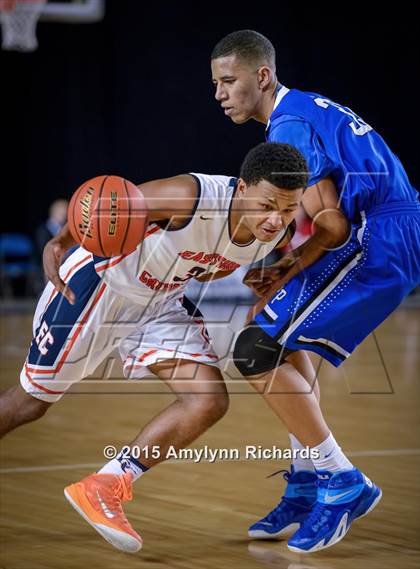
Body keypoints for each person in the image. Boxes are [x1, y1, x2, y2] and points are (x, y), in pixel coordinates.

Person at [0, 142, 309, 553]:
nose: (276, 220)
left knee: (208, 400)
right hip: (100, 285)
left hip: (159, 301)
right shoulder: (193, 197)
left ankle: (106, 486)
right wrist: (60, 240)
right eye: (268, 205)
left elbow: (214, 262)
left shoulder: (274, 234)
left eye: (289, 210)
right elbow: (114, 202)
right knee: (30, 403)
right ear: (242, 188)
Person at [211, 30, 420, 553]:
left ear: (262, 76)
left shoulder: (289, 126)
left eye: (228, 81)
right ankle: (306, 483)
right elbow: (327, 220)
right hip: (385, 228)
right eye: (215, 84)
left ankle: (342, 480)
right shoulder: (303, 113)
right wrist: (281, 269)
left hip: (383, 234)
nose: (219, 93)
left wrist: (278, 268)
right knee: (280, 346)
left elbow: (329, 228)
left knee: (255, 349)